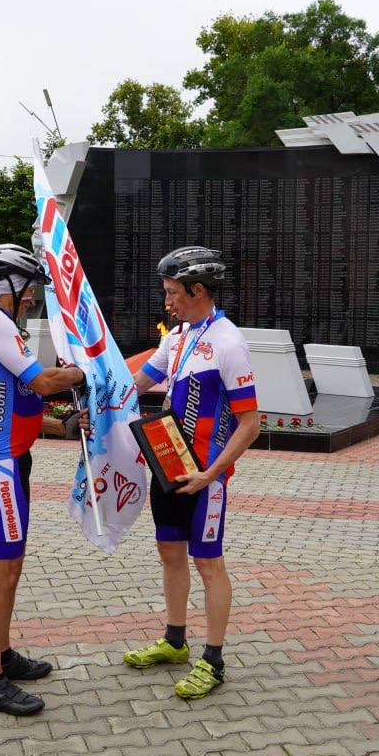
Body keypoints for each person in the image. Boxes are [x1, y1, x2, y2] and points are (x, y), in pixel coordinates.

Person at [123, 246, 260, 699]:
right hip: (169, 468)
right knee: (169, 554)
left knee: (208, 563)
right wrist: (89, 395)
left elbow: (250, 423)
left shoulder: (229, 342)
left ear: (198, 290)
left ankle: (214, 660)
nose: (167, 302)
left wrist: (211, 474)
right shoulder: (178, 337)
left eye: (172, 293)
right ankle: (175, 640)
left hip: (207, 478)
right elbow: (137, 385)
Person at [0, 243, 86, 716]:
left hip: (4, 454)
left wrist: (54, 424)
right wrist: (89, 369)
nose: (32, 297)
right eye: (29, 288)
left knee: (11, 564)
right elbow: (40, 381)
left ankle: (3, 656)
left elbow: (3, 393)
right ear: (10, 284)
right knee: (3, 568)